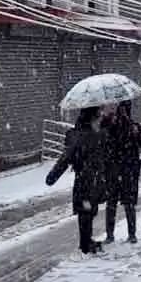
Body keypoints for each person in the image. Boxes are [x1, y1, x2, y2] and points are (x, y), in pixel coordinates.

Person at [45, 106, 107, 254]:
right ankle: (85, 244)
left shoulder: (90, 134)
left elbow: (67, 157)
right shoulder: (83, 136)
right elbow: (66, 158)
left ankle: (87, 241)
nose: (100, 119)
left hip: (89, 180)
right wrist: (53, 176)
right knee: (86, 211)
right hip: (86, 181)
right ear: (91, 118)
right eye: (98, 116)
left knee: (89, 211)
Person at [103, 100, 141, 244]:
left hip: (127, 170)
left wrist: (137, 133)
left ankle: (130, 234)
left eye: (125, 109)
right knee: (113, 203)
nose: (123, 112)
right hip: (115, 170)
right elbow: (103, 142)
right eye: (121, 109)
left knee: (127, 204)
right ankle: (111, 235)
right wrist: (109, 123)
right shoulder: (110, 124)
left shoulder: (133, 126)